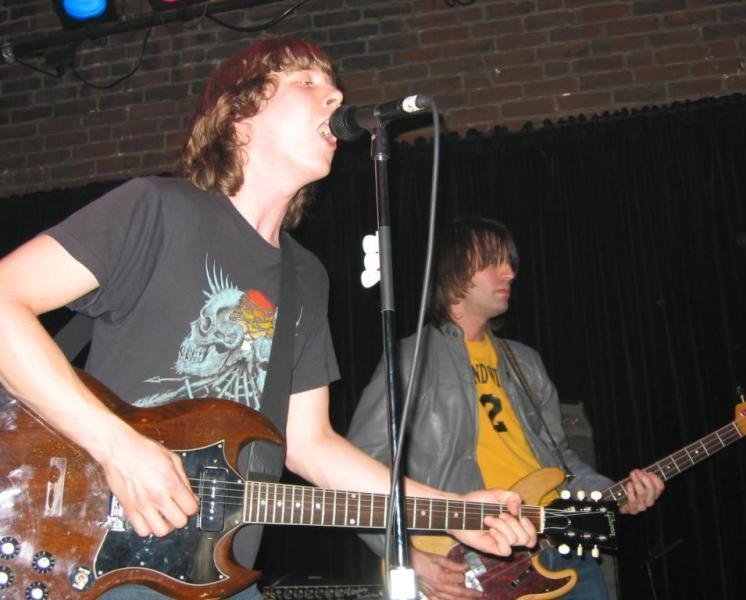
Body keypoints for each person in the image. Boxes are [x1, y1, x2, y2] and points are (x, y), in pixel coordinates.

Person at [0, 40, 536, 600]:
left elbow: (311, 444)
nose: (335, 94)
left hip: (210, 575)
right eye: (306, 81)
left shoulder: (305, 277)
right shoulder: (157, 208)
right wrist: (118, 447)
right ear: (240, 115)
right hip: (94, 555)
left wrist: (449, 509)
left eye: (333, 85)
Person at [347, 216, 665, 600]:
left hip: (560, 547)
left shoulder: (525, 361)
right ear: (454, 270)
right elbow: (356, 468)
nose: (510, 273)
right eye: (493, 261)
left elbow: (561, 460)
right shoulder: (412, 359)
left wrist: (612, 492)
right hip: (474, 558)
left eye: (510, 262)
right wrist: (405, 556)